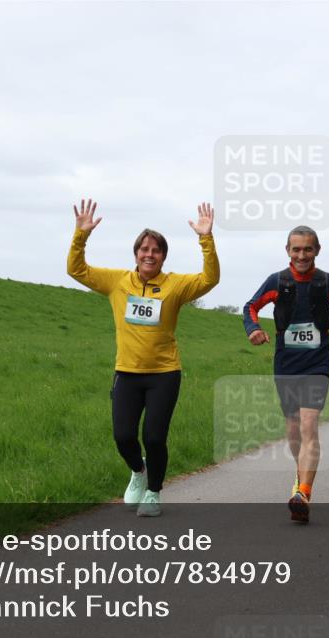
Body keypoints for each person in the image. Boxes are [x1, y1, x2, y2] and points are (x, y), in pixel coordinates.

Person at [67, 199, 219, 517]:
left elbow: (209, 279)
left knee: (154, 436)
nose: (149, 255)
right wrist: (81, 235)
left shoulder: (175, 285)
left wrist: (206, 238)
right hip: (127, 372)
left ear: (163, 256)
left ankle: (153, 492)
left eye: (156, 250)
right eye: (144, 249)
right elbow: (76, 269)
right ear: (136, 253)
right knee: (123, 436)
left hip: (164, 374)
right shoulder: (118, 282)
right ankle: (138, 472)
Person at [243, 225, 329, 523]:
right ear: (288, 251)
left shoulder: (326, 282)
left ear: (317, 250)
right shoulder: (278, 281)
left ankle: (303, 492)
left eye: (308, 249)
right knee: (292, 429)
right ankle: (299, 474)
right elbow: (250, 307)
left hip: (317, 361)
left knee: (309, 423)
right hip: (286, 362)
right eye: (296, 249)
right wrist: (253, 329)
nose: (302, 255)